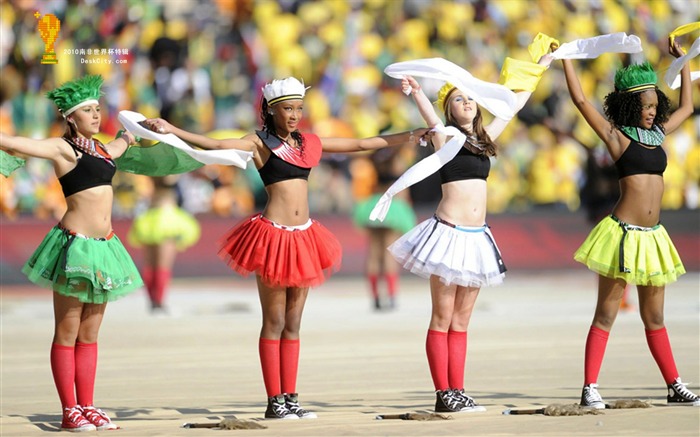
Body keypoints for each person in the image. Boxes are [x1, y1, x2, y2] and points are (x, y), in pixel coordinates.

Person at [141, 77, 429, 420]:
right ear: (271, 110)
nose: (294, 115)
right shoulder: (259, 143)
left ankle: (291, 396)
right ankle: (273, 400)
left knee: (293, 323)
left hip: (305, 236)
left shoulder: (308, 143)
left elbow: (361, 143)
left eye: (298, 109)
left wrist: (412, 135)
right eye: (287, 109)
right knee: (274, 321)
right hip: (273, 237)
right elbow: (214, 144)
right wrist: (172, 129)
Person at [390, 52, 553, 413]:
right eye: (459, 99)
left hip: (478, 237)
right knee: (442, 317)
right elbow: (430, 118)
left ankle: (458, 389)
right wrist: (417, 91)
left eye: (470, 98)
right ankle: (443, 393)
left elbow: (512, 106)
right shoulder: (445, 135)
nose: (467, 102)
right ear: (450, 109)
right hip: (448, 235)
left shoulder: (484, 139)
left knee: (462, 320)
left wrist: (539, 68)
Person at [561, 38, 699, 408]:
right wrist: (566, 59)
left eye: (655, 105)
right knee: (606, 314)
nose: (652, 112)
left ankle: (674, 385)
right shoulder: (616, 137)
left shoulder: (658, 135)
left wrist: (685, 61)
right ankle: (590, 387)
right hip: (621, 235)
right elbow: (580, 102)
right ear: (629, 105)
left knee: (655, 317)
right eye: (645, 106)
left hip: (654, 237)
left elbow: (688, 105)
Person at [0, 75, 142, 431]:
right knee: (67, 332)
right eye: (88, 111)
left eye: (97, 109)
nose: (96, 115)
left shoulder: (103, 150)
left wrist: (135, 132)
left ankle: (88, 405)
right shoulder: (63, 150)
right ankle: (69, 410)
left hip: (106, 247)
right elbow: (16, 143)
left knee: (90, 335)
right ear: (70, 118)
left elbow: (124, 143)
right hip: (74, 247)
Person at [352, 146, 417, 310]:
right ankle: (392, 295)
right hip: (394, 207)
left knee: (373, 254)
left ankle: (375, 297)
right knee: (389, 254)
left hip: (374, 203)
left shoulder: (375, 159)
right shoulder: (397, 159)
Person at [128, 175, 201, 314]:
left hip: (150, 219)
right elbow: (168, 180)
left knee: (151, 264)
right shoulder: (167, 172)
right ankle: (158, 302)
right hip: (166, 220)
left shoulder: (152, 171)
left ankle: (154, 302)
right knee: (160, 265)